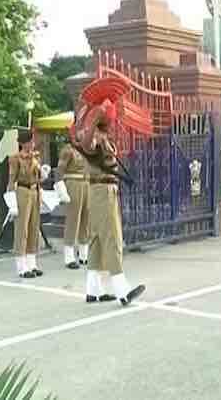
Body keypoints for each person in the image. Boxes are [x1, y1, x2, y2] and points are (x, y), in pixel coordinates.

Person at [78, 99, 146, 306]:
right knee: (111, 238)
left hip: (104, 190)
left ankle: (93, 290)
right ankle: (122, 291)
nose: (111, 129)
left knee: (97, 242)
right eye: (107, 127)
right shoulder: (92, 141)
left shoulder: (105, 142)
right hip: (102, 191)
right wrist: (93, 123)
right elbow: (86, 145)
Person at [6, 131, 43, 278]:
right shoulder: (15, 158)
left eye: (32, 141)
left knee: (33, 227)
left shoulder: (35, 157)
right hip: (22, 191)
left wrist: (43, 173)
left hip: (35, 191)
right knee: (22, 229)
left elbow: (39, 177)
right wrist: (12, 203)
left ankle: (32, 263)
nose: (32, 144)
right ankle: (21, 267)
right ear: (22, 143)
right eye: (29, 141)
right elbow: (11, 181)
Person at [55, 141, 90, 270]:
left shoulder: (87, 148)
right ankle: (69, 256)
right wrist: (61, 190)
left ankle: (84, 254)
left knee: (86, 220)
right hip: (73, 182)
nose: (84, 133)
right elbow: (59, 171)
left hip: (87, 183)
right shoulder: (68, 150)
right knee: (73, 219)